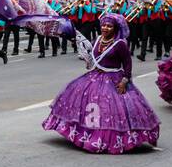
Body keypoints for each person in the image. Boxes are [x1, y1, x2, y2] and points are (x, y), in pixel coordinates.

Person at [42, 13, 159, 153]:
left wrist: (124, 81)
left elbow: (127, 64)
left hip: (114, 79)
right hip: (95, 76)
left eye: (109, 26)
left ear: (115, 28)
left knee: (108, 108)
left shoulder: (120, 44)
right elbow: (92, 57)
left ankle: (109, 139)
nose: (105, 28)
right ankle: (86, 135)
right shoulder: (97, 39)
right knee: (85, 103)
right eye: (103, 25)